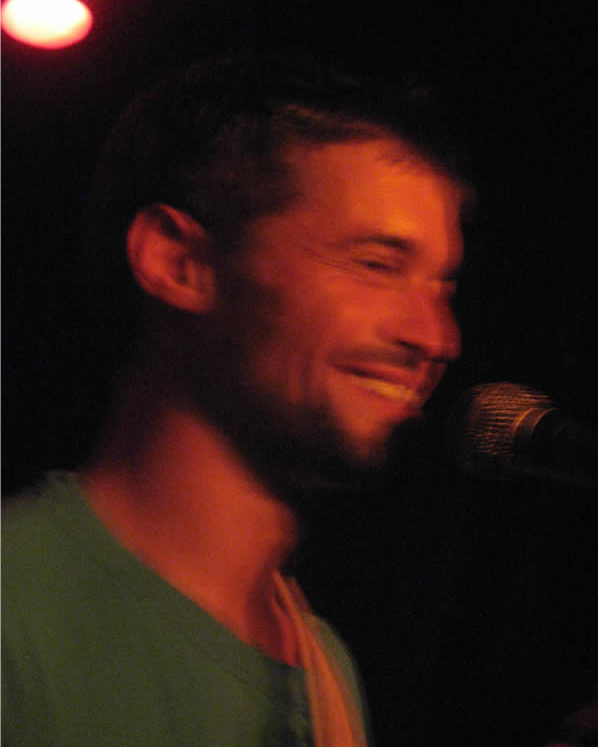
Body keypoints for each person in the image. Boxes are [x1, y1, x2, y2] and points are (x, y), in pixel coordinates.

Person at [2, 52, 471, 746]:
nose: (436, 338)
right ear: (180, 263)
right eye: (377, 265)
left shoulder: (326, 666)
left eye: (442, 288)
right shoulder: (17, 608)